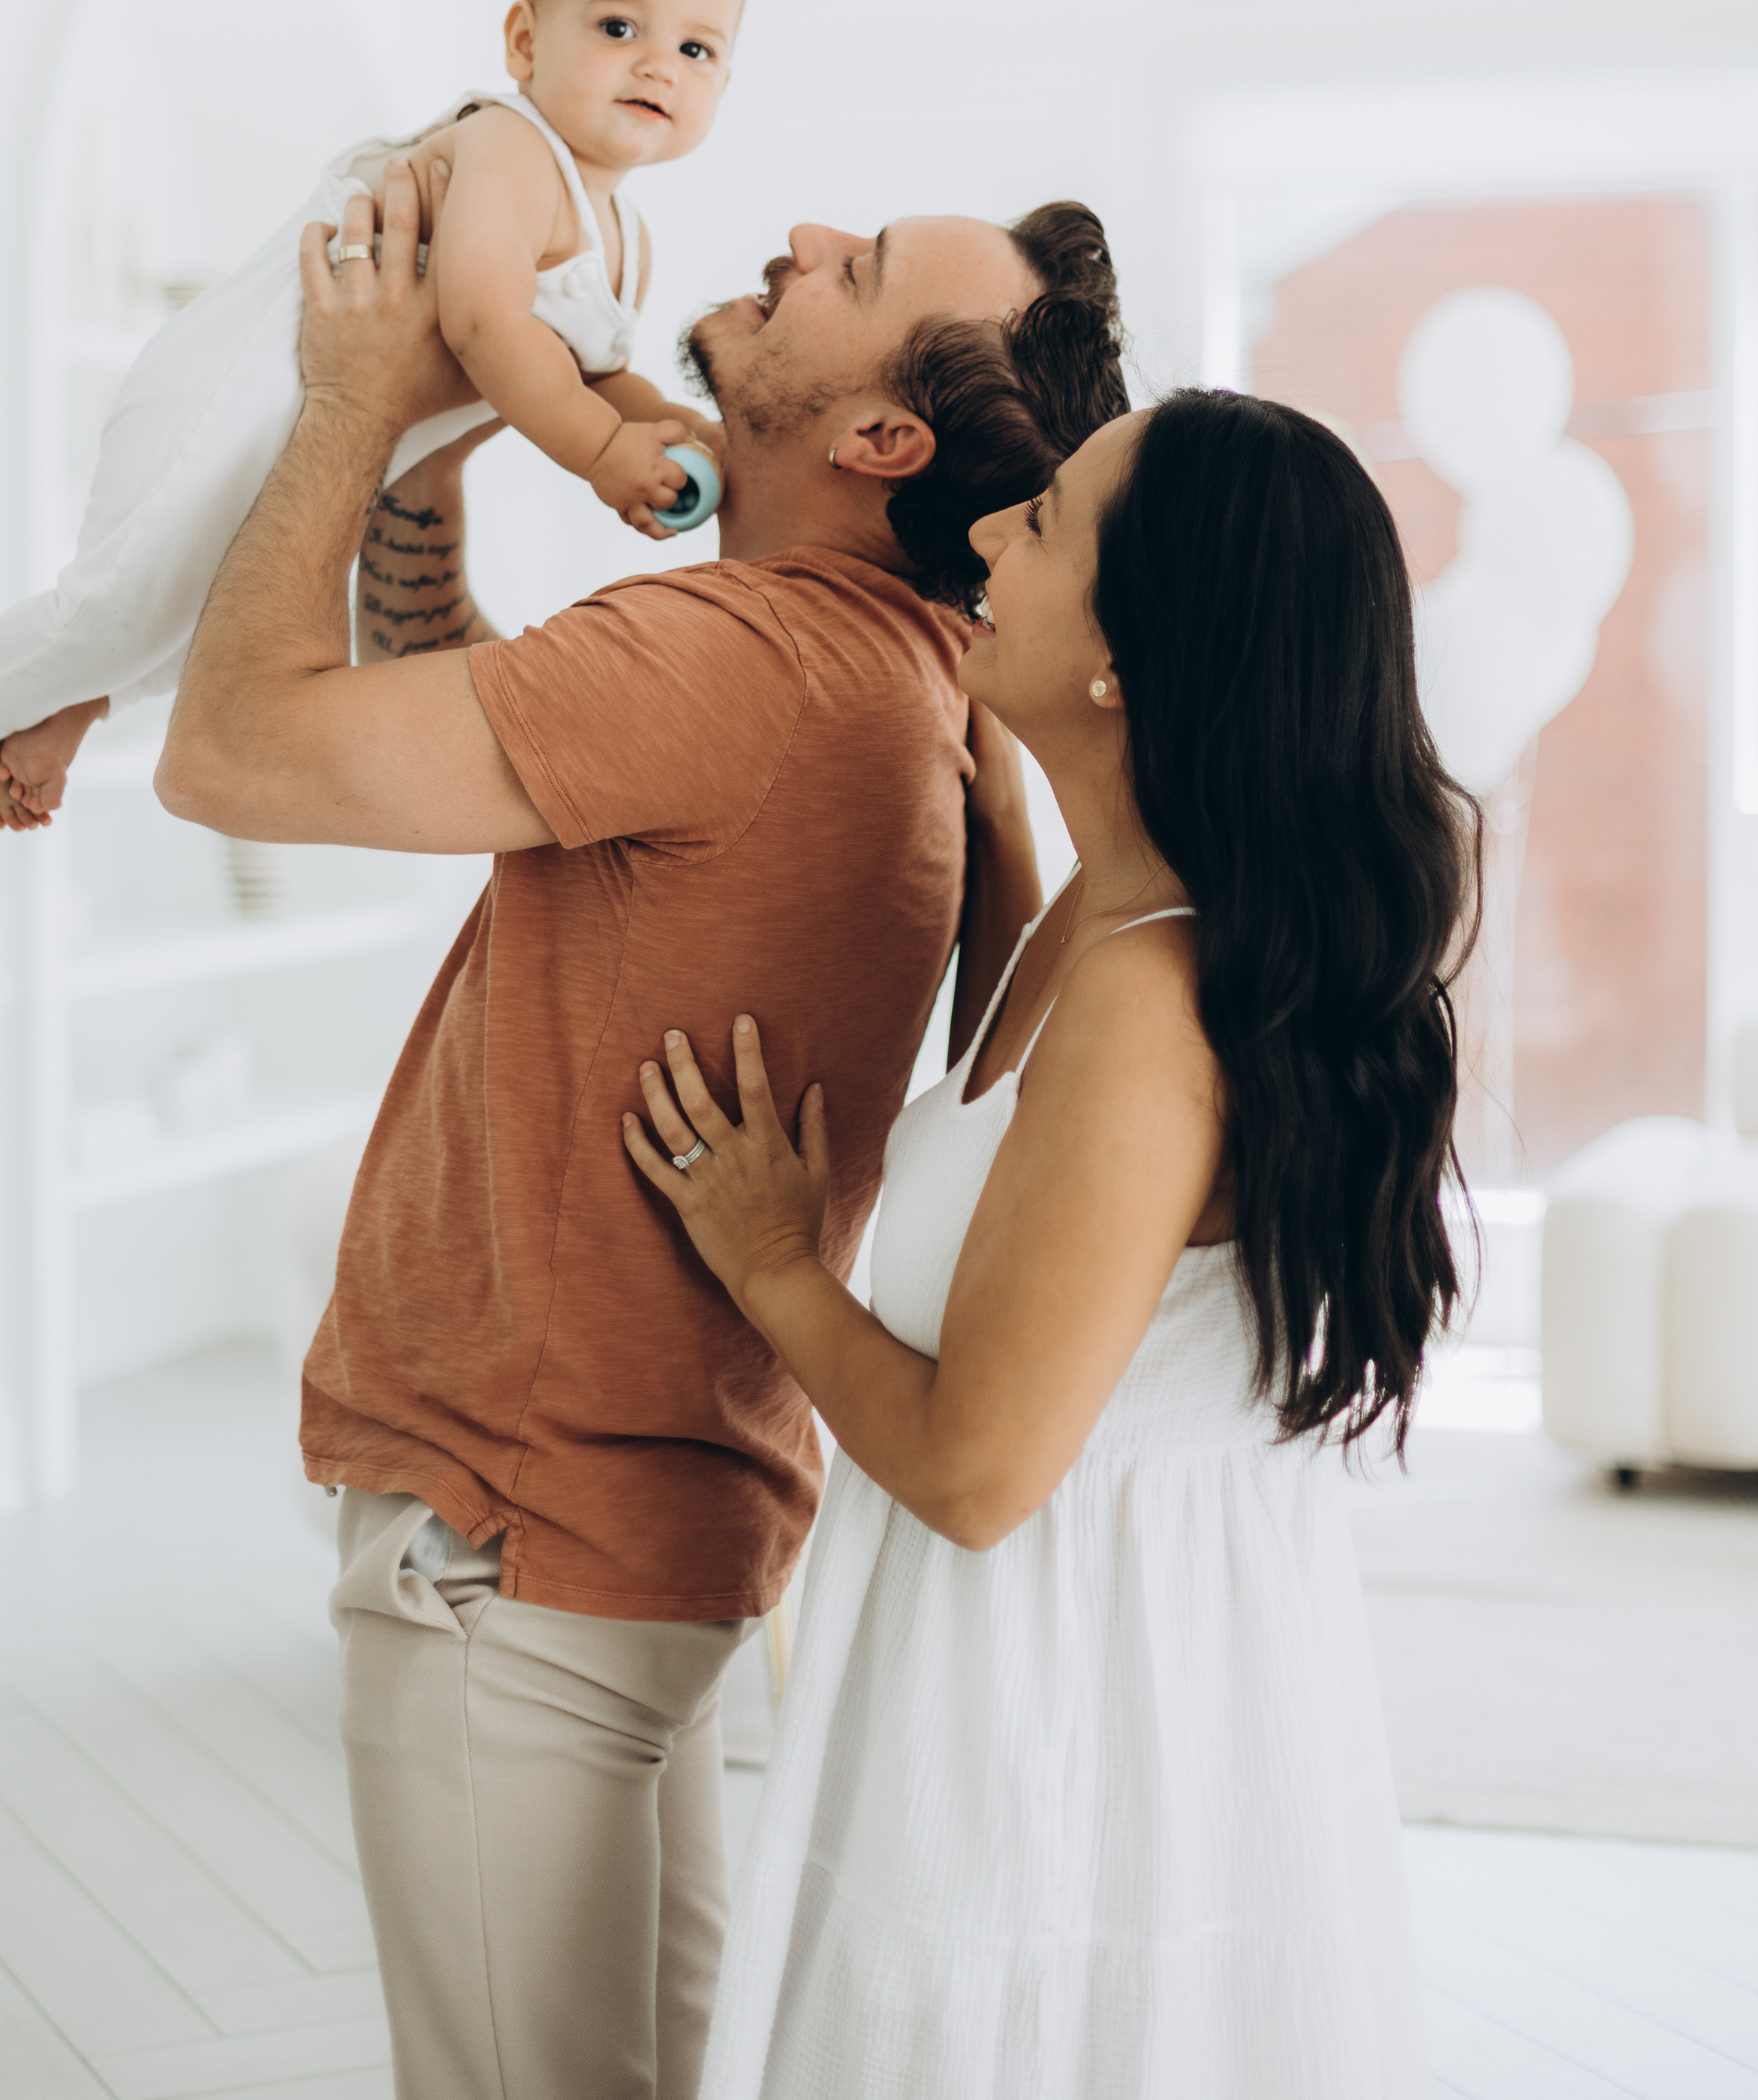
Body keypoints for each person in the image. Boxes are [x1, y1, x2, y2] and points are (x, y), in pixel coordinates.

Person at [150, 162, 1130, 2100]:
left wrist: (351, 391)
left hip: (513, 1558)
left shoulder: (737, 668)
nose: (799, 240)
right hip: (649, 1555)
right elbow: (507, 712)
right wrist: (431, 462)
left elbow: (227, 748)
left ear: (877, 435)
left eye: (854, 271)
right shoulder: (884, 683)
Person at [628, 390, 1480, 2100]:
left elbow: (971, 1465)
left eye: (1047, 522)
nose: (991, 531)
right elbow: (1037, 1163)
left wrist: (768, 1254)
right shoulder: (1116, 905)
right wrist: (1002, 823)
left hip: (1060, 1724)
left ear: (1131, 649)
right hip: (1075, 1672)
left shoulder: (1149, 1001)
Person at [0, 0, 740, 830]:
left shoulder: (624, 238)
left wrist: (684, 430)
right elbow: (486, 328)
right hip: (234, 388)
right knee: (138, 586)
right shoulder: (512, 153)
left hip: (325, 424)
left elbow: (597, 374)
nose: (658, 65)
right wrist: (603, 454)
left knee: (216, 605)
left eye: (696, 49)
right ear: (524, 42)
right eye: (617, 27)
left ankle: (75, 698)